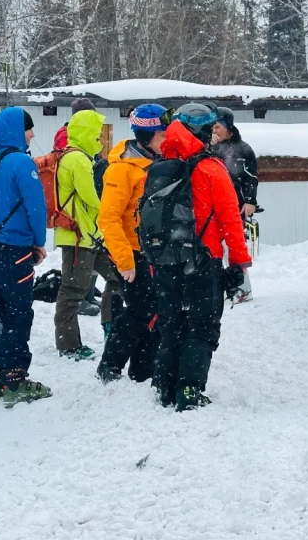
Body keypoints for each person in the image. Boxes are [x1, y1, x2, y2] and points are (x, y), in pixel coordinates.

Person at [151, 103, 252, 411]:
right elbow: (230, 220)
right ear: (204, 131)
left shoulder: (160, 166)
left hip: (166, 260)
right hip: (202, 259)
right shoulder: (210, 168)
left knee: (171, 322)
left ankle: (164, 386)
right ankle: (189, 391)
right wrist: (239, 263)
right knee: (202, 325)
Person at [0, 107, 52, 408]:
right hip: (16, 249)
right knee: (18, 314)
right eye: (30, 129)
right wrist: (39, 242)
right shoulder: (21, 161)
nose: (33, 135)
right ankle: (14, 380)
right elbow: (36, 206)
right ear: (19, 131)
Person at [95, 104, 168, 384]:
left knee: (157, 311)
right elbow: (109, 218)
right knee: (138, 311)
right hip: (132, 253)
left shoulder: (157, 163)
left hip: (154, 252)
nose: (167, 141)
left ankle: (142, 369)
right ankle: (109, 366)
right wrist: (125, 261)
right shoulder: (121, 170)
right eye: (162, 136)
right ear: (146, 137)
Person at [53, 107, 119, 360]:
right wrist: (112, 210)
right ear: (85, 132)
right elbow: (90, 197)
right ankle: (68, 345)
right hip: (78, 237)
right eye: (96, 134)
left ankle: (111, 326)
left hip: (90, 236)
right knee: (72, 291)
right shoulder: (77, 159)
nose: (99, 140)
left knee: (117, 277)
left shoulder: (76, 157)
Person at [211, 106, 258, 303]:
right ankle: (219, 287)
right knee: (214, 249)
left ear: (229, 127)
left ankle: (242, 288)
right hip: (211, 207)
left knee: (234, 247)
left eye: (217, 126)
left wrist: (250, 201)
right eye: (211, 127)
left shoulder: (243, 149)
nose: (214, 131)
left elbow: (251, 178)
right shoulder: (207, 147)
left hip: (234, 206)